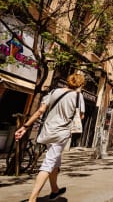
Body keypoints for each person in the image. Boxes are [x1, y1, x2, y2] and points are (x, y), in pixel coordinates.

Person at [14, 73, 86, 201]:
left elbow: (40, 111)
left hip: (47, 131)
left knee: (55, 160)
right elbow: (80, 117)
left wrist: (25, 127)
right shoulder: (78, 96)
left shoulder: (54, 92)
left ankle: (54, 190)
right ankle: (32, 199)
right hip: (61, 133)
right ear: (80, 85)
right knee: (49, 163)